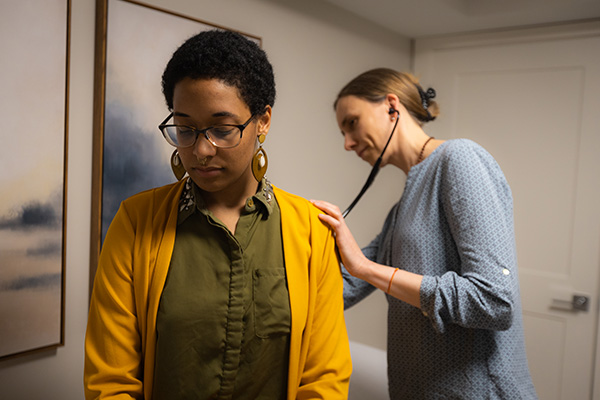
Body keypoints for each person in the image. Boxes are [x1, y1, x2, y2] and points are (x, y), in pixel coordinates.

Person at [84, 29, 351, 399]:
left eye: (223, 130)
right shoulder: (135, 222)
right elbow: (110, 382)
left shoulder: (310, 230)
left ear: (263, 121)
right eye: (185, 129)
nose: (201, 150)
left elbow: (324, 380)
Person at [312, 68, 537, 399]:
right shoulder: (402, 208)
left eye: (352, 123)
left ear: (392, 106)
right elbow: (343, 287)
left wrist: (367, 268)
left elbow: (494, 301)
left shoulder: (459, 158)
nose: (347, 143)